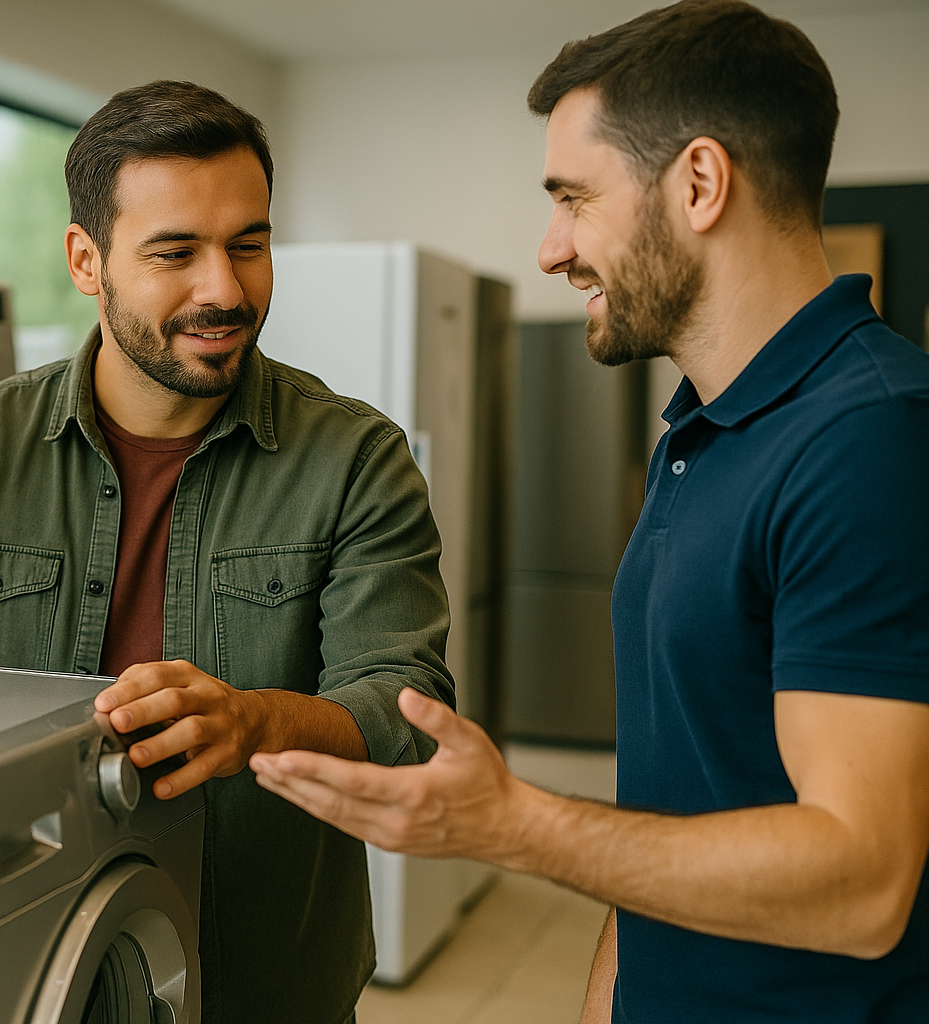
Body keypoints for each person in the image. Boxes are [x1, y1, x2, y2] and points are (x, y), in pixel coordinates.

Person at [252, 2, 929, 1021]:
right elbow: (676, 796)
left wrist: (511, 824)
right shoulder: (699, 431)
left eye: (573, 196)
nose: (551, 248)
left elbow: (865, 879)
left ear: (699, 182)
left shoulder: (870, 436)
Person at [0, 80, 455, 1023]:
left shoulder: (356, 458)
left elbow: (406, 713)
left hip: (266, 981)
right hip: (30, 975)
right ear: (86, 259)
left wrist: (254, 723)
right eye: (176, 252)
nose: (223, 288)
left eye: (250, 246)